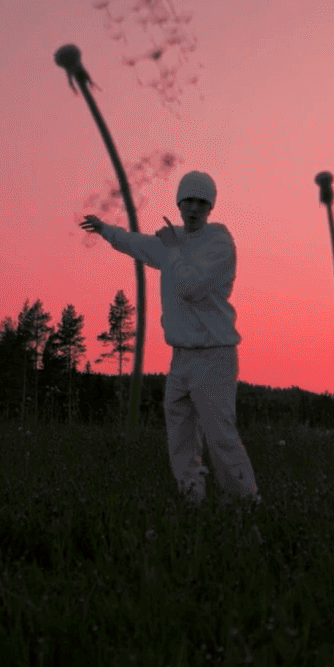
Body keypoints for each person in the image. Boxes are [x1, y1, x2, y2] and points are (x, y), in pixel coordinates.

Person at [81, 170, 259, 503]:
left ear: (210, 207)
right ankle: (192, 498)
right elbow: (137, 244)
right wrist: (106, 230)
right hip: (180, 357)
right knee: (180, 436)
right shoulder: (171, 243)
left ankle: (246, 502)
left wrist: (173, 248)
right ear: (179, 203)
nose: (193, 208)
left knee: (220, 435)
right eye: (188, 200)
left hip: (214, 354)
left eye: (201, 202)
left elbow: (191, 286)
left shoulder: (219, 242)